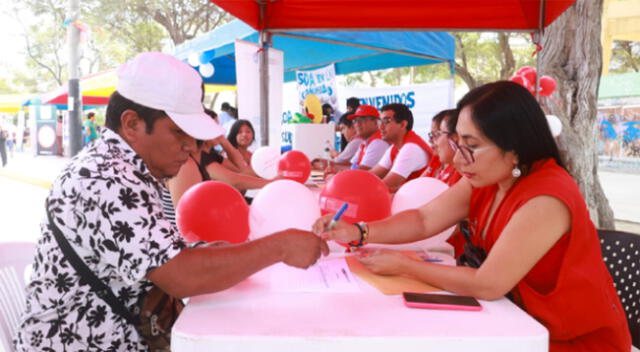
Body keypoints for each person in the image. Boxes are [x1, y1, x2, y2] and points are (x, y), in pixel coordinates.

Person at [14, 52, 328, 351]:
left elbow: (158, 254)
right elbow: (181, 276)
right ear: (132, 124)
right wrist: (280, 246)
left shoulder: (124, 167)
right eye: (180, 133)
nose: (191, 148)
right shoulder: (104, 179)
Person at [314, 81, 631, 352]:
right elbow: (425, 219)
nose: (456, 158)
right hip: (511, 322)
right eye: (456, 143)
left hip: (565, 340)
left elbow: (488, 283)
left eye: (471, 146)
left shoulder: (546, 197)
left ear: (515, 148)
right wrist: (358, 231)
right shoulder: (490, 177)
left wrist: (405, 266)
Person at [369, 103, 433, 192]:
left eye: (386, 121)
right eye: (380, 122)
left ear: (403, 124)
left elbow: (385, 186)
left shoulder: (411, 147)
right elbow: (371, 175)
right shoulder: (395, 147)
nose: (381, 127)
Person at [422, 109, 462, 186]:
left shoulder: (463, 173)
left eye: (437, 135)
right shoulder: (436, 158)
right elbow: (419, 185)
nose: (434, 141)